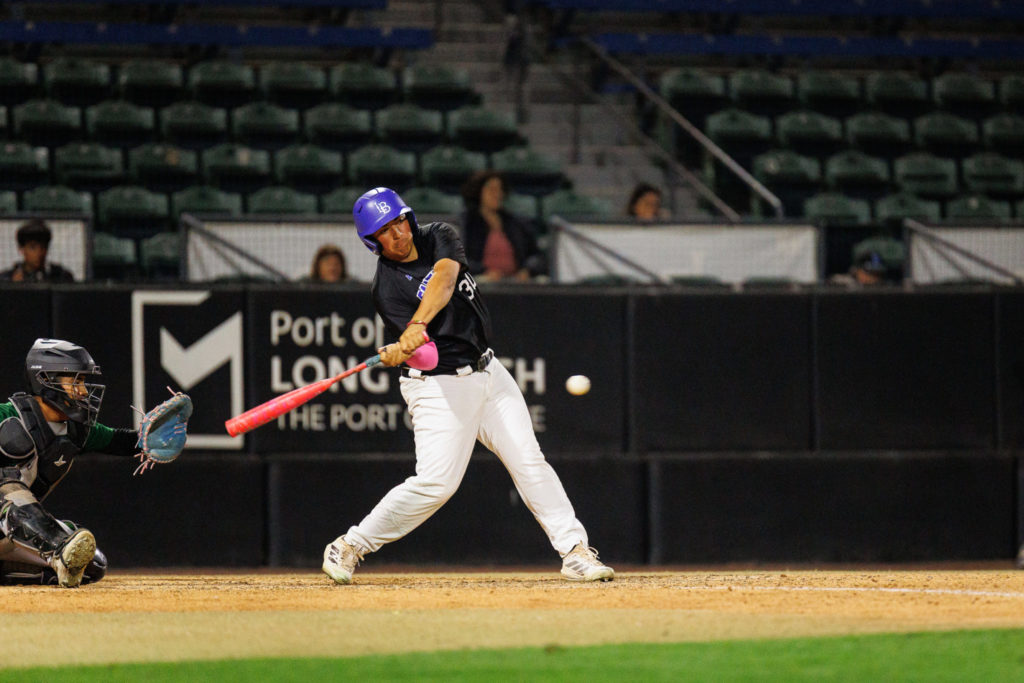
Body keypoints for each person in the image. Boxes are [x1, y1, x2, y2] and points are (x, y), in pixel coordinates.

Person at [322, 187, 614, 584]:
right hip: (439, 387)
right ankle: (351, 544)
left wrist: (415, 326)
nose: (399, 233)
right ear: (372, 242)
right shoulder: (387, 290)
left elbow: (444, 279)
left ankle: (574, 551)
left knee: (529, 461)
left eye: (399, 221)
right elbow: (429, 359)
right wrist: (407, 347)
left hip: (489, 372)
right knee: (436, 485)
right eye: (386, 231)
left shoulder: (438, 234)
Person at [0, 339, 160, 587]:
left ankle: (55, 556)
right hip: (6, 512)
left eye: (83, 382)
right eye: (75, 381)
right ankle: (59, 549)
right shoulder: (7, 416)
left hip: (6, 532)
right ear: (45, 380)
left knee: (91, 565)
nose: (83, 391)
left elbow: (118, 441)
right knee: (7, 488)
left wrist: (155, 439)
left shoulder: (75, 430)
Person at [458, 170, 546, 282]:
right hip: (481, 280)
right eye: (492, 189)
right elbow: (459, 259)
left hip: (516, 280)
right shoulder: (468, 222)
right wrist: (484, 271)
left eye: (500, 190)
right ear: (479, 192)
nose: (497, 194)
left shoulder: (515, 223)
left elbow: (536, 256)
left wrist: (528, 270)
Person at [0, 219, 75, 283]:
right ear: (21, 249)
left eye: (43, 247)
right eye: (33, 248)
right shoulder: (7, 279)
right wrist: (13, 288)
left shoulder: (62, 277)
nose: (39, 253)